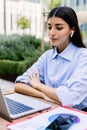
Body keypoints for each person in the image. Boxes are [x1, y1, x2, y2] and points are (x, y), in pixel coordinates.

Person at [14, 6, 87, 110]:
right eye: (49, 27)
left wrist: (38, 85)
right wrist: (44, 96)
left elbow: (69, 99)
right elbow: (19, 85)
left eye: (59, 28)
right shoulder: (47, 56)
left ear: (72, 30)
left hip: (77, 116)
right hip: (49, 109)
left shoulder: (83, 57)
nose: (51, 33)